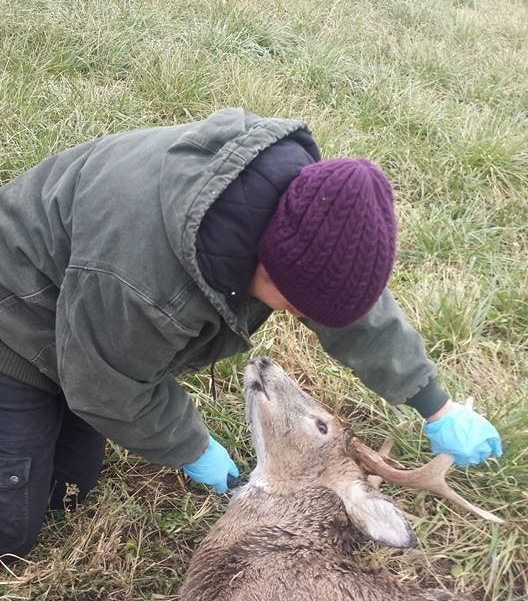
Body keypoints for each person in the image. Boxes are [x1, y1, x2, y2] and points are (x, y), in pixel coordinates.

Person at [0, 108, 501, 557]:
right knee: (14, 529)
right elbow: (105, 387)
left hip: (85, 316)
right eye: (301, 308)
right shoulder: (147, 283)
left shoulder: (297, 212)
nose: (305, 319)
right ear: (270, 263)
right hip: (17, 316)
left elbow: (349, 307)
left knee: (69, 491)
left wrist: (434, 403)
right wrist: (193, 448)